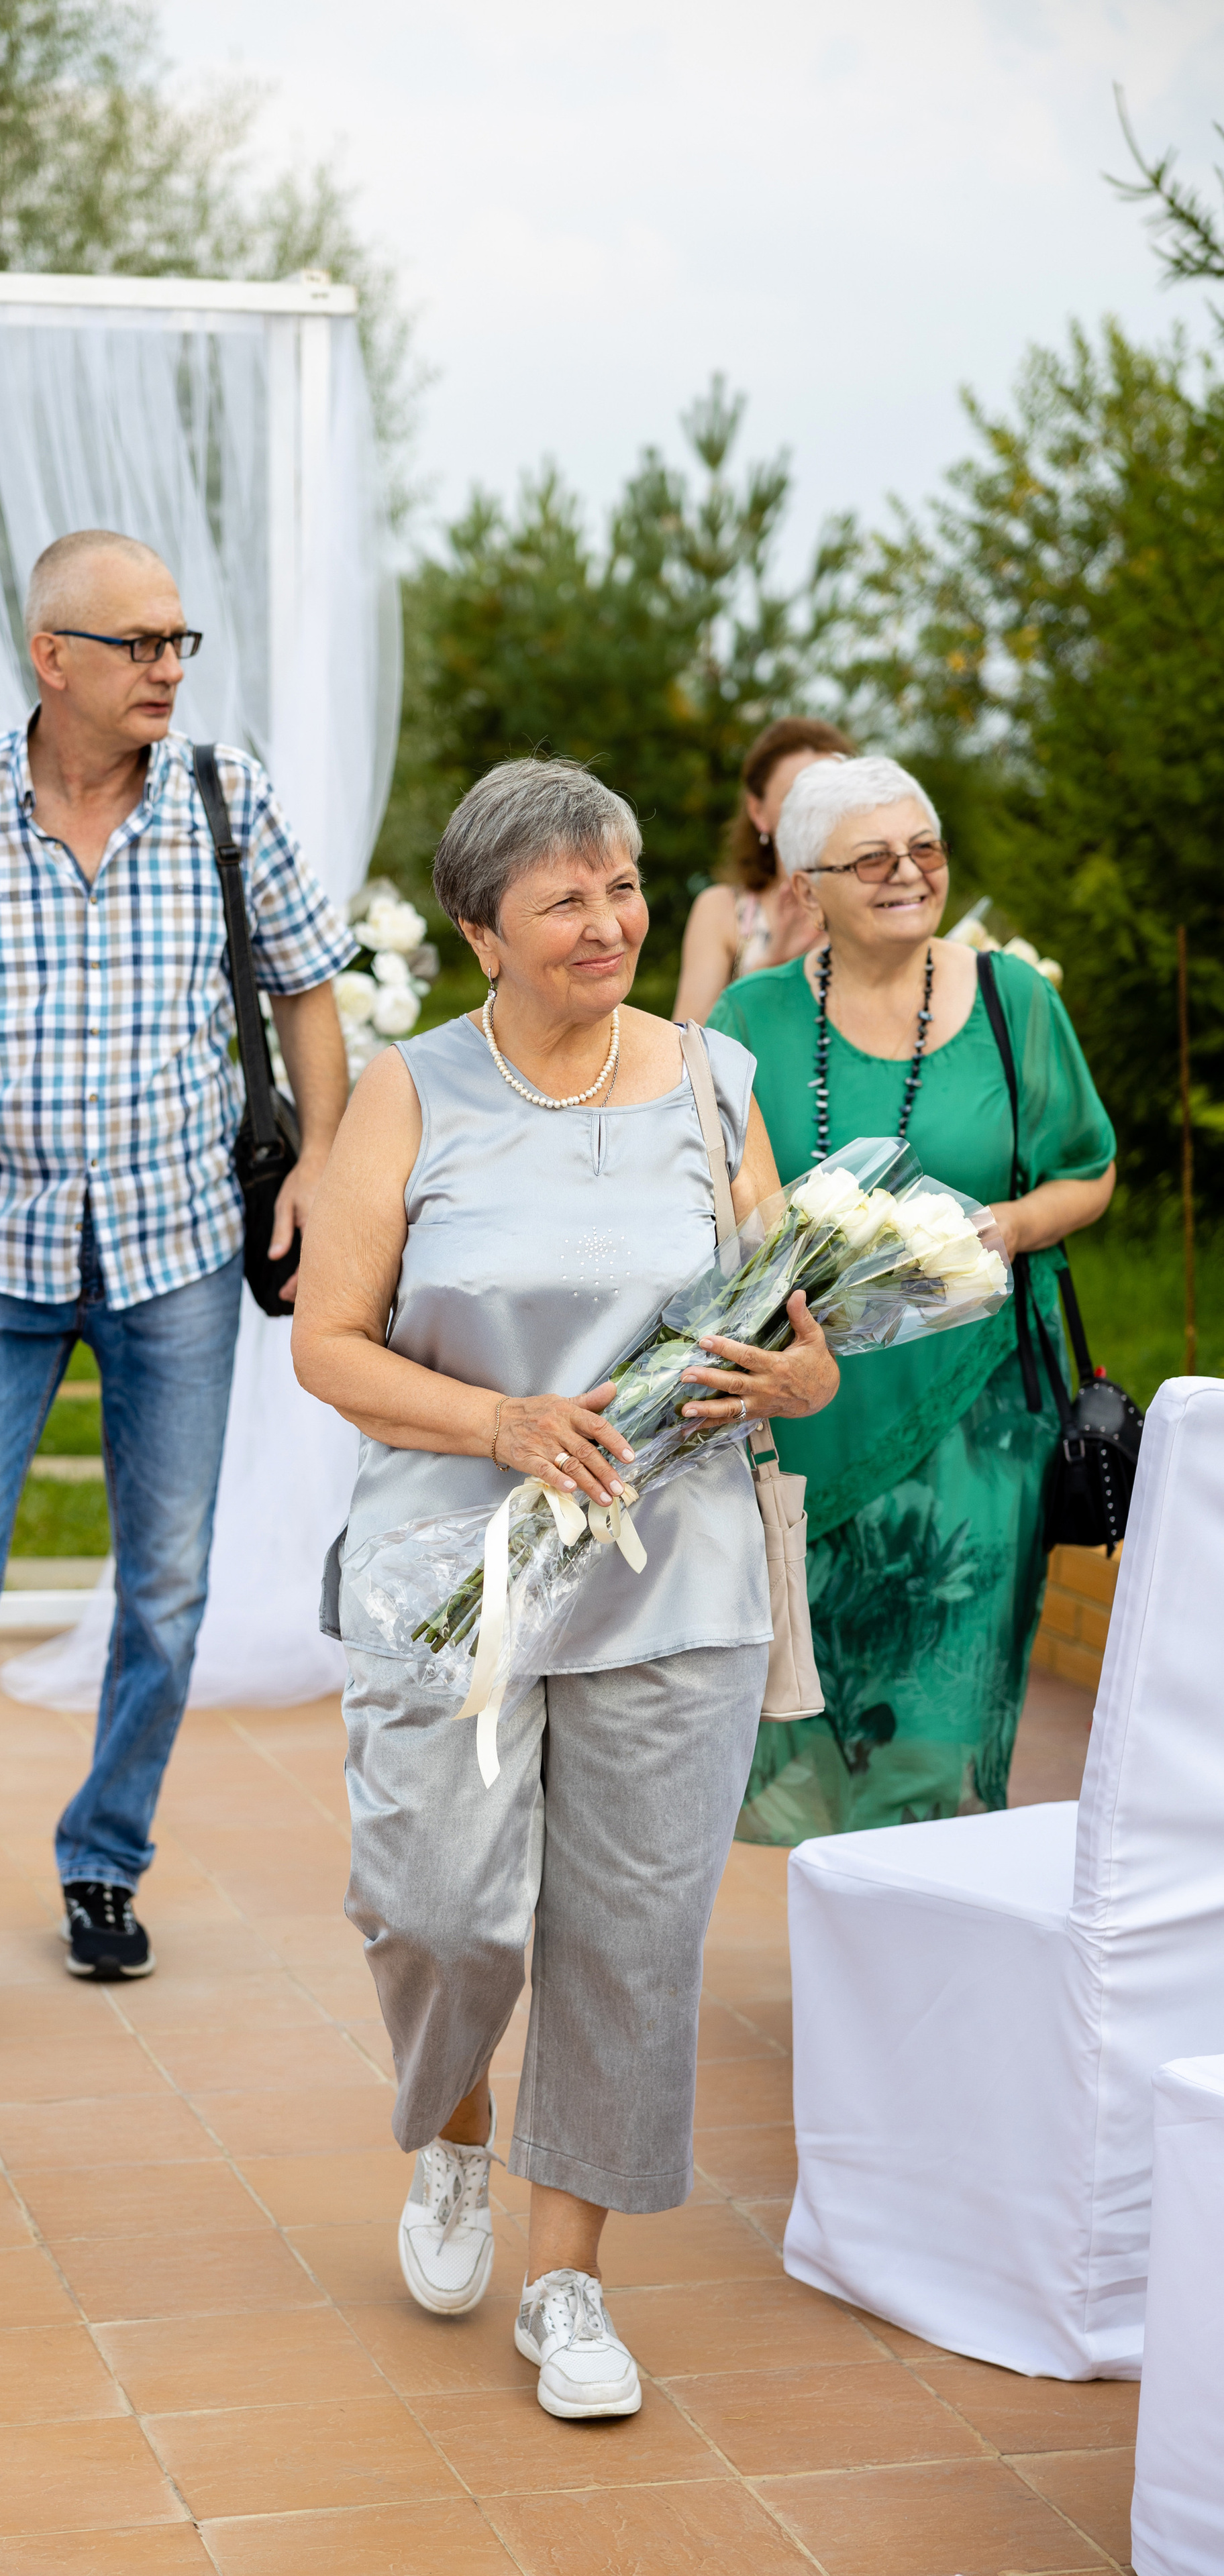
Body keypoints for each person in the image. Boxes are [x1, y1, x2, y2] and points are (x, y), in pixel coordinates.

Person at [293, 758, 838, 2419]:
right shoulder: (408, 1089)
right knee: (439, 1906)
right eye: (565, 901)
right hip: (451, 1562)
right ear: (480, 933)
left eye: (622, 887)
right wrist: (500, 1423)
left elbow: (799, 1345)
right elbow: (327, 1343)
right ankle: (454, 2126)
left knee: (629, 1936)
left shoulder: (708, 1081)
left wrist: (786, 1382)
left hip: (673, 1574)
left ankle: (566, 2279)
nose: (609, 923)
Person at [0, 527, 355, 2021]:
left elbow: (308, 989)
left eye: (182, 643)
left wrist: (317, 1157)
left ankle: (104, 1862)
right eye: (143, 646)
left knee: (165, 1591)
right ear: (55, 658)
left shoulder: (225, 799)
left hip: (177, 1248)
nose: (171, 668)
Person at [708, 754, 1116, 1842]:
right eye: (873, 857)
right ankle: (864, 1954)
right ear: (806, 887)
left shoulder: (1012, 1001)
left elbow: (1090, 1166)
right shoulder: (746, 1018)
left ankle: (917, 1977)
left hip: (978, 1415)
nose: (908, 873)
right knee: (824, 1717)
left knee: (941, 1715)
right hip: (811, 1411)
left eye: (924, 849)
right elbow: (713, 1203)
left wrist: (1012, 1225)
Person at [672, 716, 854, 1024]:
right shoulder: (723, 910)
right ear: (759, 812)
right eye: (799, 795)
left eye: (833, 793)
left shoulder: (875, 902)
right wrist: (773, 967)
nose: (818, 808)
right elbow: (684, 1048)